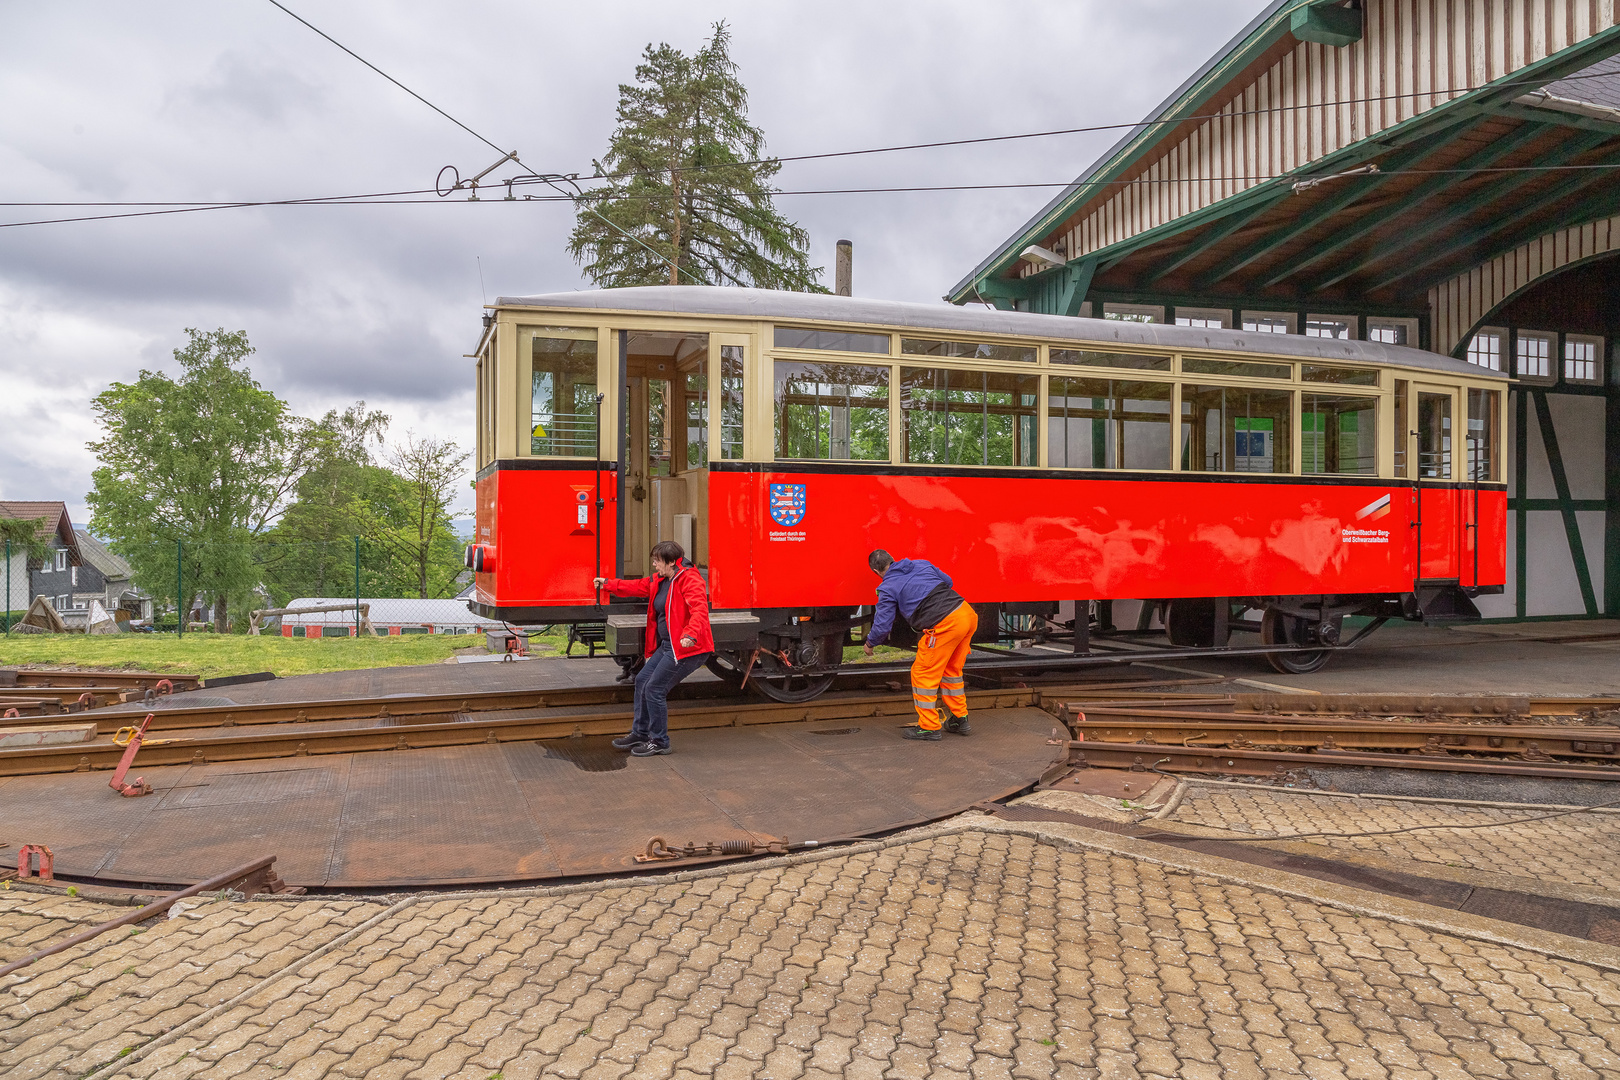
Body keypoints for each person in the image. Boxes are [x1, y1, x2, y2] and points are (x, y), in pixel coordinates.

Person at [593, 541, 714, 756]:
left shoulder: (690, 579)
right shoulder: (661, 579)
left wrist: (690, 635)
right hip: (668, 646)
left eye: (657, 561)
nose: (654, 564)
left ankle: (659, 741)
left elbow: (699, 610)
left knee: (654, 689)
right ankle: (640, 733)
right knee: (642, 681)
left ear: (671, 562)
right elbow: (638, 586)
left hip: (687, 649)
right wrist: (608, 584)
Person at [862, 549, 978, 741]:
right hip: (966, 614)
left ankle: (929, 727)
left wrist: (870, 643)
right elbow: (947, 582)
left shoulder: (888, 587)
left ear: (876, 571)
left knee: (923, 673)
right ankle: (959, 719)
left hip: (945, 624)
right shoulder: (921, 564)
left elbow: (883, 624)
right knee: (951, 669)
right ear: (893, 560)